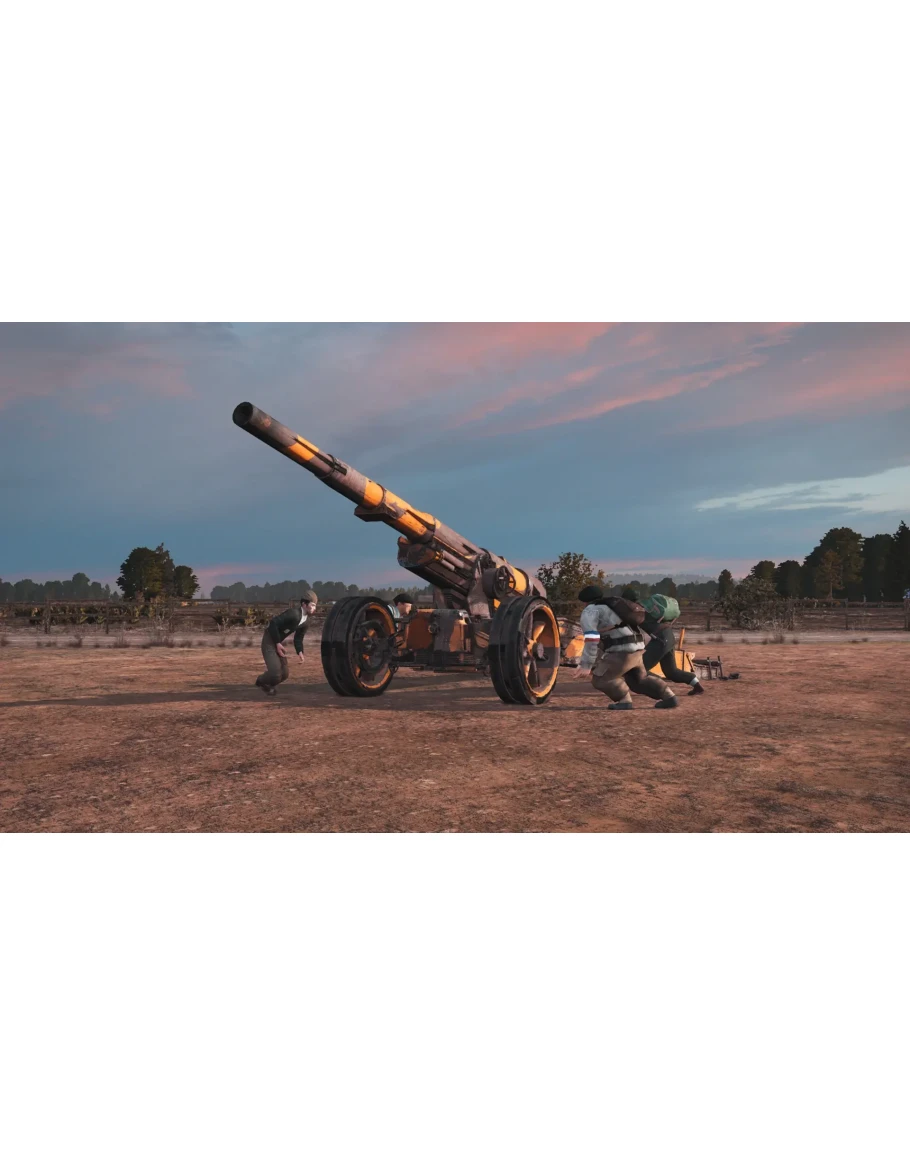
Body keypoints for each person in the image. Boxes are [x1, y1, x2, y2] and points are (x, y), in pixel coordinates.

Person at [572, 585, 677, 710]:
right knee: (638, 681)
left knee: (600, 680)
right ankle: (669, 696)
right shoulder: (613, 606)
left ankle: (624, 700)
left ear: (584, 601)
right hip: (638, 649)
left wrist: (586, 665)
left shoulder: (590, 611)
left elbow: (592, 638)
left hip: (621, 651)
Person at [628, 587, 704, 696]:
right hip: (668, 636)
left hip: (660, 639)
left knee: (640, 668)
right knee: (671, 672)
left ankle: (660, 686)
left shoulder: (636, 611)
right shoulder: (647, 606)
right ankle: (697, 686)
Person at [255, 591, 318, 696]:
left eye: (315, 606)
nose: (314, 608)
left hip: (278, 643)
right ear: (304, 604)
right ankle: (261, 681)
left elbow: (298, 638)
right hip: (269, 640)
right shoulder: (293, 613)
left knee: (284, 674)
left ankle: (270, 683)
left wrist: (300, 652)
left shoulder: (306, 622)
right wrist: (277, 643)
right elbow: (273, 623)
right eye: (312, 605)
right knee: (275, 673)